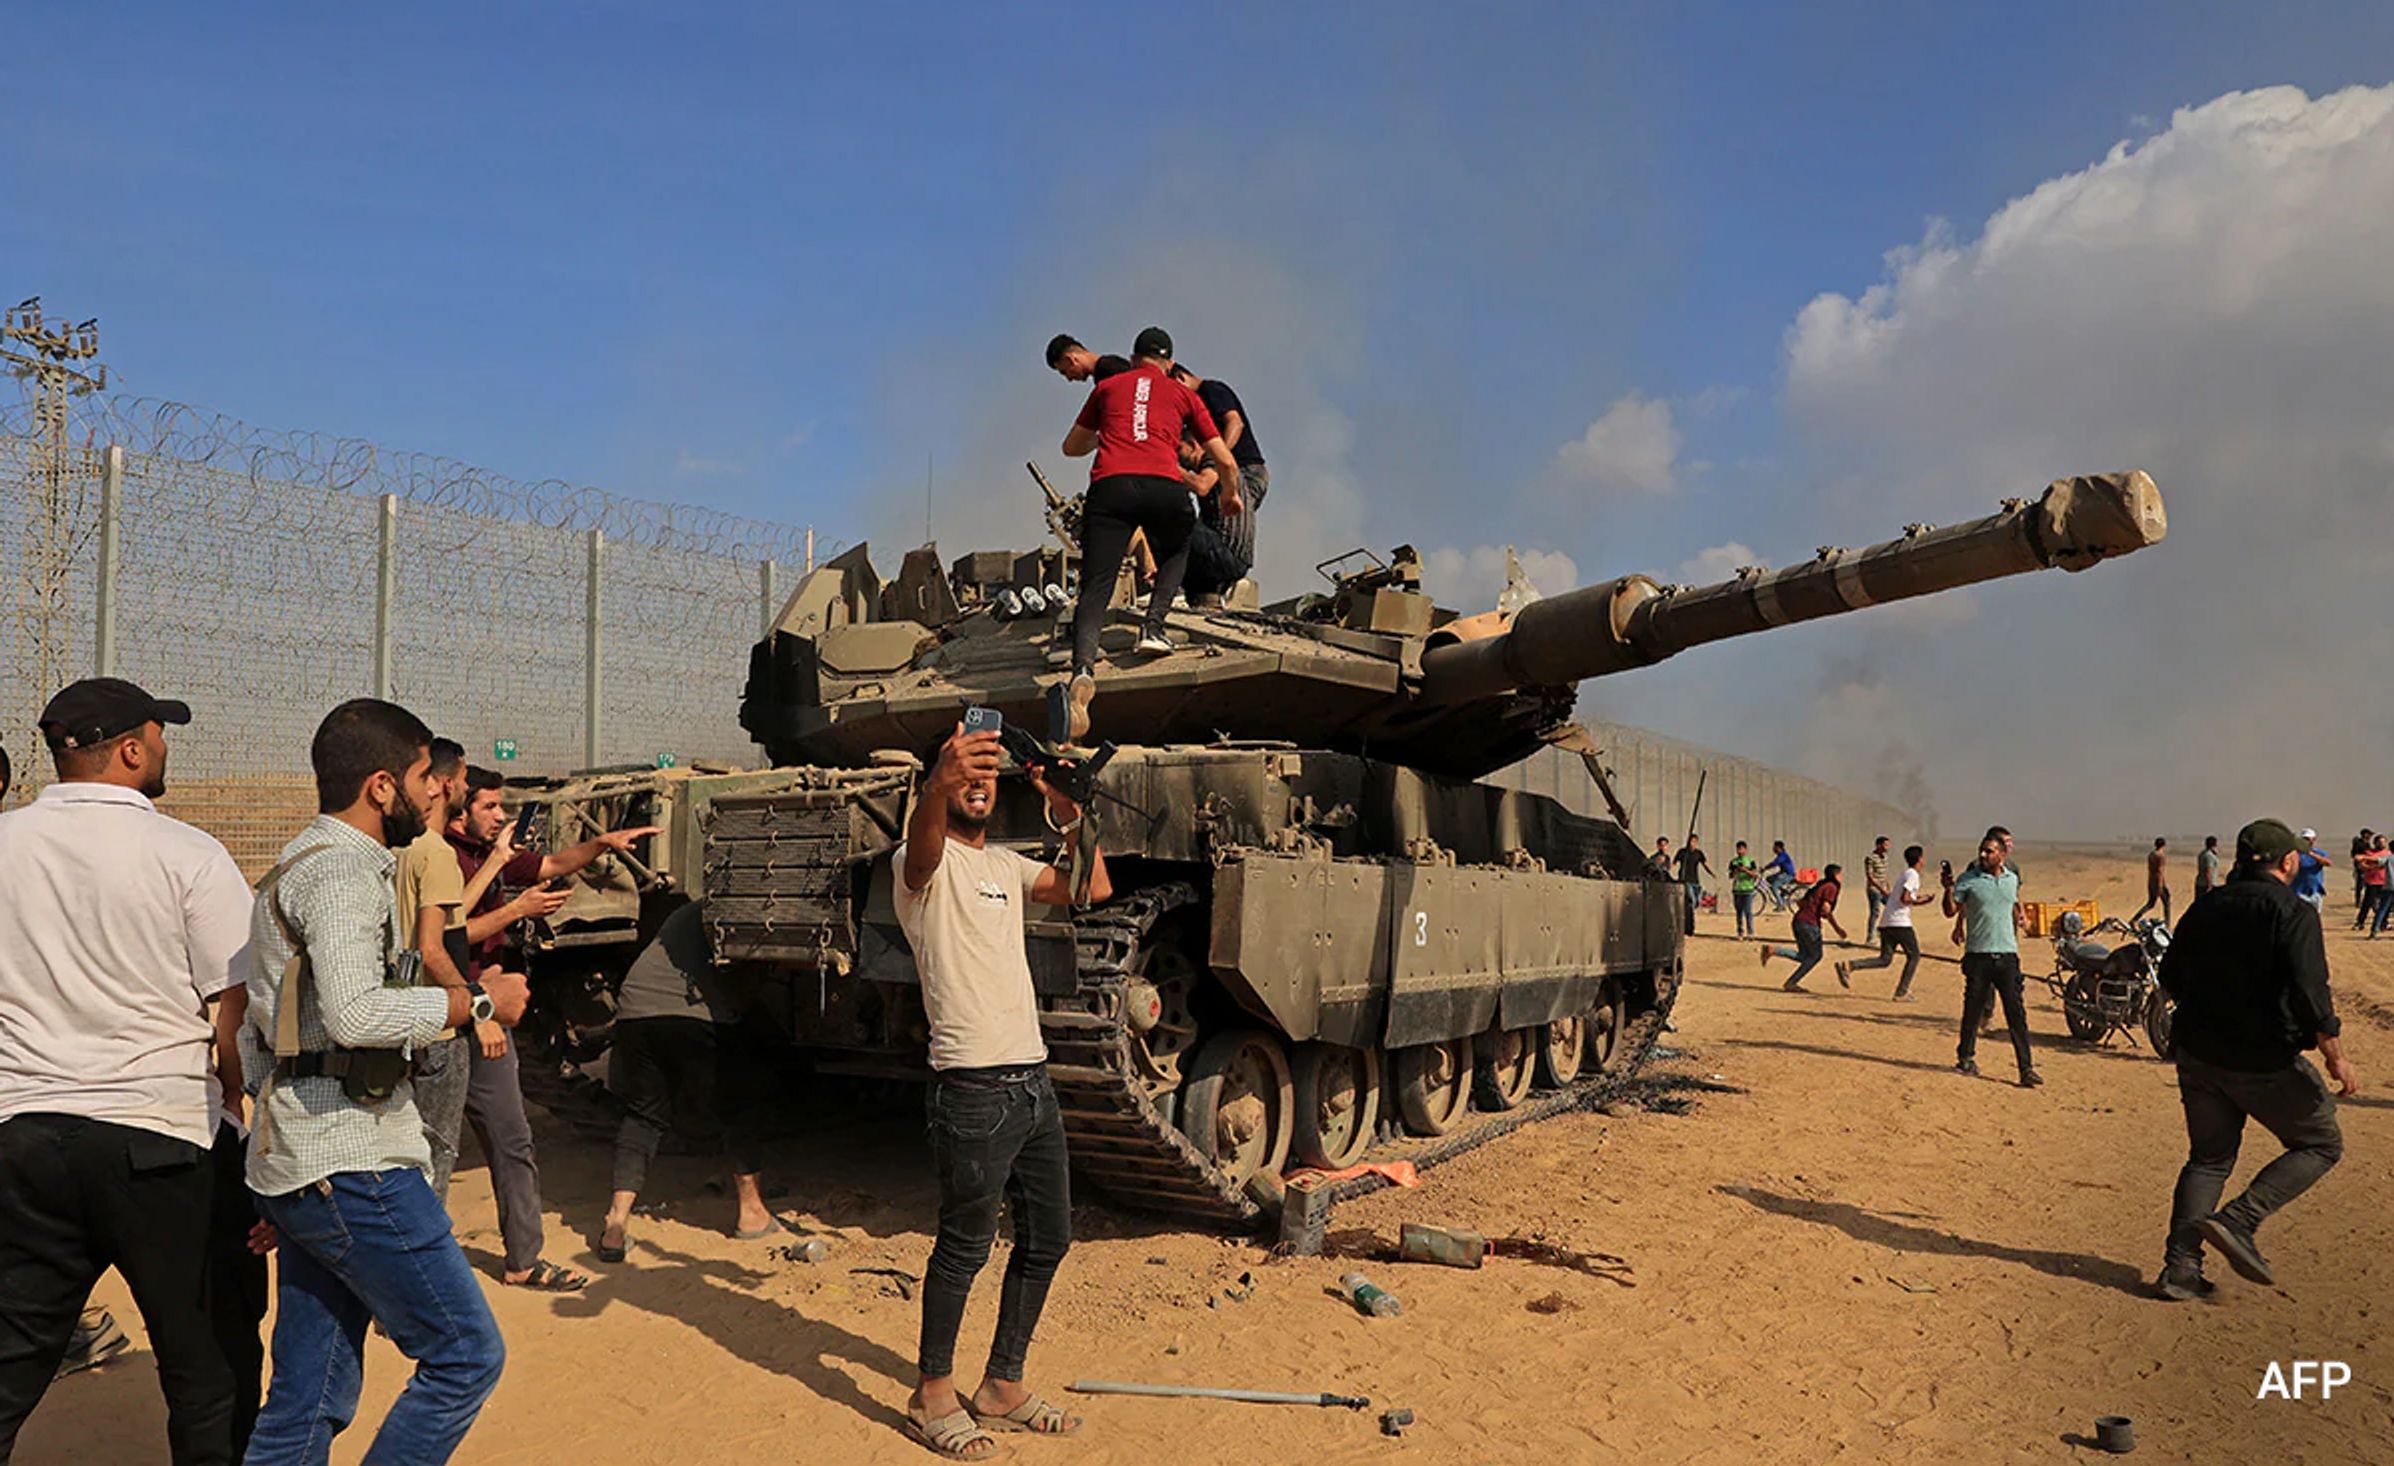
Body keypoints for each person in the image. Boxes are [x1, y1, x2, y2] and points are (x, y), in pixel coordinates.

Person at [240, 699, 532, 1463]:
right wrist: (476, 1003)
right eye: (422, 780)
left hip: (311, 1158)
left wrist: (281, 1170)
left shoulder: (301, 861)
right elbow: (357, 1015)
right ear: (380, 786)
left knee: (307, 1395)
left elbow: (254, 1034)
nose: (438, 793)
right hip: (353, 1159)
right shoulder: (341, 874)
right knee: (466, 1356)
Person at [0, 679, 255, 1464]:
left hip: (24, 1138)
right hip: (162, 1141)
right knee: (208, 1363)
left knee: (11, 1356)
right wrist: (238, 1103)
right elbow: (232, 1009)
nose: (167, 748)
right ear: (133, 750)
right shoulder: (188, 853)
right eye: (161, 734)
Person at [896, 721, 1111, 1459]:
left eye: (988, 776)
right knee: (963, 1247)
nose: (978, 785)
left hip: (1032, 1080)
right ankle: (931, 1396)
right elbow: (923, 843)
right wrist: (939, 777)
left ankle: (1002, 1385)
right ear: (943, 783)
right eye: (965, 775)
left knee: (1049, 1237)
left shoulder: (1009, 868)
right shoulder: (919, 865)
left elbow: (1095, 886)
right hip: (974, 1087)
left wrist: (1071, 810)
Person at [447, 766, 658, 1292]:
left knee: (513, 1139)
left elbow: (550, 864)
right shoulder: (439, 856)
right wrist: (517, 910)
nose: (501, 815)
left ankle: (523, 1259)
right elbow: (443, 938)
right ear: (460, 809)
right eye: (490, 807)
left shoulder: (490, 849)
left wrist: (601, 844)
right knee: (429, 1152)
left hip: (489, 1016)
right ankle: (407, 1287)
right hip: (451, 1013)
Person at [2153, 817, 2357, 1300]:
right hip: (2262, 1061)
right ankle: (2239, 1221)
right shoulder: (2293, 912)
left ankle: (2180, 1269)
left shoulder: (2204, 908)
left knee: (2208, 1159)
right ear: (2289, 861)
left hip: (2199, 1056)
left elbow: (2172, 979)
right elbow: (2312, 993)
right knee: (2321, 1143)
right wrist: (2336, 1057)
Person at [1058, 326, 1246, 740]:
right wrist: (1230, 495)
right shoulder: (1184, 395)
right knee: (1178, 547)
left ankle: (1082, 669)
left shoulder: (1108, 387)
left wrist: (1112, 431)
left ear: (1133, 356)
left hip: (1110, 487)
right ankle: (1154, 628)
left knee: (1097, 583)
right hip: (1164, 486)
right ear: (1169, 363)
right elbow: (1227, 461)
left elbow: (1070, 447)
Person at [596, 904, 777, 1262]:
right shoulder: (749, 909)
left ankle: (615, 1223)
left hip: (634, 1009)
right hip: (690, 1014)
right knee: (736, 1105)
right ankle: (753, 1214)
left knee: (644, 1116)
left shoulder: (689, 912)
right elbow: (742, 991)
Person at [396, 737, 478, 1201]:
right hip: (441, 1025)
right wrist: (474, 1004)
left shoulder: (397, 849)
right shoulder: (438, 854)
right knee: (436, 1152)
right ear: (446, 785)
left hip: (402, 1014)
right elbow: (433, 948)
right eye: (464, 778)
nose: (466, 786)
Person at [1942, 833, 2041, 1087]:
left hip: (2007, 957)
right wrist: (1947, 888)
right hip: (1978, 957)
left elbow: (2015, 901)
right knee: (1973, 1012)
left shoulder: (2011, 879)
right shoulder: (1968, 880)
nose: (1983, 855)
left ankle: (2026, 1068)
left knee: (2016, 1014)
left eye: (1989, 851)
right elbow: (1950, 909)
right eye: (1981, 851)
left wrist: (2023, 918)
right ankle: (1965, 1057)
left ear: (2002, 855)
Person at [1168, 362, 1268, 565]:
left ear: (1180, 379)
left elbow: (1235, 422)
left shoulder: (1211, 390)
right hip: (1235, 470)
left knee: (1230, 528)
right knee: (1215, 523)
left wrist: (1218, 457)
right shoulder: (1195, 407)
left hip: (1247, 470)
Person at [1839, 844, 1933, 1000]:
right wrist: (1922, 901)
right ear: (1920, 859)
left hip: (1887, 922)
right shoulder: (1913, 875)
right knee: (1914, 955)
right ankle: (1902, 992)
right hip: (1899, 923)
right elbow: (1905, 898)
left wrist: (1919, 898)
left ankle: (1850, 965)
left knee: (1884, 959)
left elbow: (1902, 896)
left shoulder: (1905, 874)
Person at [1763, 862, 1845, 992]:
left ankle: (1774, 950)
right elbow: (1826, 909)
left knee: (1804, 956)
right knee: (1815, 956)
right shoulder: (1832, 887)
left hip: (1799, 921)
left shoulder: (1820, 885)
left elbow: (1801, 902)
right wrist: (1837, 928)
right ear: (1835, 875)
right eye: (1841, 874)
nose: (1842, 877)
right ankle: (1791, 982)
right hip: (1809, 924)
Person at [1043, 334, 1129, 383]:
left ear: (1070, 359)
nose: (1069, 378)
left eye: (1064, 372)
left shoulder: (1109, 371)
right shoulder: (1107, 369)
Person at [1674, 835, 1712, 936]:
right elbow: (1674, 863)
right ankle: (1689, 925)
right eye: (1691, 841)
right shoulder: (1682, 852)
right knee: (1691, 900)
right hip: (1685, 880)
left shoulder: (1698, 853)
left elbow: (1705, 864)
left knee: (1696, 903)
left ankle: (1689, 918)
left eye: (1694, 842)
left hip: (1696, 881)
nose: (1692, 844)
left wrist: (1711, 873)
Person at [2351, 836, 2389, 935]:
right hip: (2372, 882)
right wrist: (2370, 867)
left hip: (2385, 882)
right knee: (2367, 903)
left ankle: (2384, 923)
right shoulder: (2369, 853)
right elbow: (2361, 865)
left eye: (2384, 842)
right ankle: (2360, 922)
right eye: (2380, 842)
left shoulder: (2388, 853)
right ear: (2375, 843)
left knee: (2385, 904)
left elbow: (2383, 861)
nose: (2382, 844)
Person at [2133, 836, 2172, 926]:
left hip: (2151, 880)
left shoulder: (2151, 854)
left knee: (2151, 903)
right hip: (2158, 881)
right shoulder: (2160, 856)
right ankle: (2167, 924)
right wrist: (2160, 885)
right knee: (2166, 902)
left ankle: (2135, 919)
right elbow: (2160, 871)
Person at [1727, 840, 1761, 938]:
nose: (1740, 851)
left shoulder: (1751, 861)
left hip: (1748, 889)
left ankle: (1750, 932)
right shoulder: (1734, 862)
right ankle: (1740, 932)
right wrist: (1736, 871)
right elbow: (1730, 876)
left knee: (1748, 912)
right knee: (1739, 912)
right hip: (1737, 889)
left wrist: (1746, 870)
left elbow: (1755, 874)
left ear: (1745, 850)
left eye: (1742, 849)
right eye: (1738, 849)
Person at [2292, 829, 2330, 911]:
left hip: (2315, 891)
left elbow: (2327, 863)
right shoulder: (2296, 854)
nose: (2308, 842)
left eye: (2309, 839)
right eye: (2305, 839)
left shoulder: (2319, 853)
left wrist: (2310, 853)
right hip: (2299, 891)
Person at [1863, 835, 1892, 933]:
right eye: (1886, 845)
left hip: (1884, 889)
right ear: (1879, 845)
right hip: (1874, 889)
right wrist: (1882, 889)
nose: (1888, 847)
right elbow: (1870, 877)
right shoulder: (1870, 858)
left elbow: (1885, 874)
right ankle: (1871, 936)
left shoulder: (1885, 857)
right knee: (1875, 912)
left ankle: (1883, 929)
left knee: (1892, 908)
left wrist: (1888, 887)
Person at [1763, 840, 1797, 908]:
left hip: (1788, 875)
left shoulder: (1783, 855)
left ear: (1779, 848)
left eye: (1774, 847)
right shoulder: (1781, 855)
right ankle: (1783, 892)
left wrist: (1765, 868)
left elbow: (1775, 863)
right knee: (1769, 879)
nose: (1773, 849)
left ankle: (1780, 904)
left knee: (1774, 887)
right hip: (1783, 874)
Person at [2350, 828, 2373, 910]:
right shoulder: (2359, 843)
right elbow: (2354, 855)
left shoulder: (2367, 843)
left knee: (2367, 885)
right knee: (2360, 885)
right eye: (2369, 834)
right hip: (2361, 867)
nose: (2370, 836)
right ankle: (2358, 902)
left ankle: (2365, 901)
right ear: (2365, 834)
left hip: (2367, 866)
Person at [2195, 834, 2223, 898]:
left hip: (2200, 883)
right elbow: (2208, 871)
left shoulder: (2202, 854)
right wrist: (2209, 885)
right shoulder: (2209, 856)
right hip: (2207, 884)